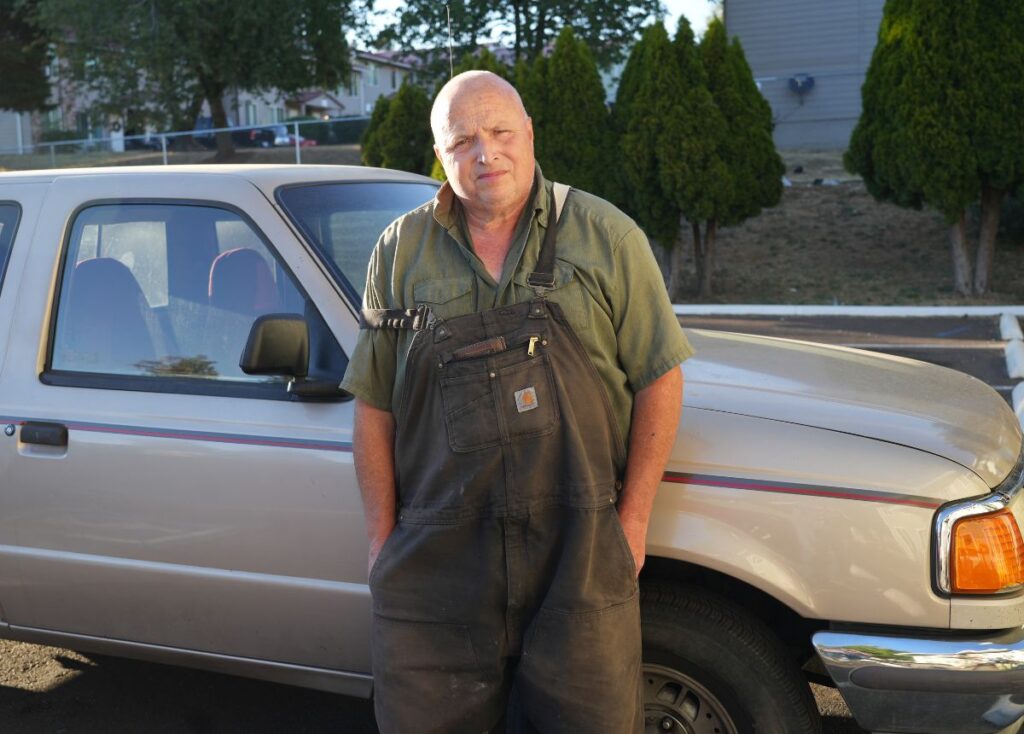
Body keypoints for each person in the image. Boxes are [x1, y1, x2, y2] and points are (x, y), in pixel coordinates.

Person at [341, 70, 694, 733]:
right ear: (441, 155)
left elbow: (660, 378)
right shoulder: (398, 252)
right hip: (437, 563)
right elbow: (373, 404)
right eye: (463, 140)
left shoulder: (606, 237)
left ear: (530, 133)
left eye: (501, 132)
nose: (485, 154)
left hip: (579, 556)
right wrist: (381, 543)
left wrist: (634, 524)